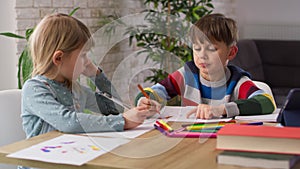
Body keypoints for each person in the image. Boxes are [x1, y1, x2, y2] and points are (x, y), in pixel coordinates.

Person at [21, 13, 157, 141]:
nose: (87, 61)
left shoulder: (75, 89)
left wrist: (96, 75)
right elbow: (69, 122)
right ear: (59, 58)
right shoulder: (35, 89)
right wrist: (124, 121)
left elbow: (114, 109)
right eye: (83, 55)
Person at [135, 13, 276, 119]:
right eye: (197, 48)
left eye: (212, 49)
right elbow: (154, 92)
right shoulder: (186, 74)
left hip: (224, 140)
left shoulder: (237, 81)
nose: (202, 55)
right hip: (188, 140)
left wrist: (221, 109)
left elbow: (267, 102)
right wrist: (146, 100)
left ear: (231, 52)